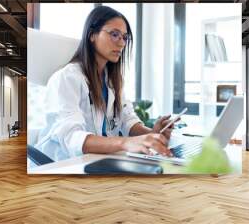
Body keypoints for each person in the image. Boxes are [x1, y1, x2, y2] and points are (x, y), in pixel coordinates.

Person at [35, 6, 176, 161]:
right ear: (92, 35)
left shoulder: (113, 80)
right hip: (60, 163)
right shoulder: (67, 78)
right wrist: (125, 143)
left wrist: (152, 133)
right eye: (114, 35)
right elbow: (72, 137)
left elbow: (127, 120)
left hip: (99, 160)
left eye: (124, 37)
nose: (122, 43)